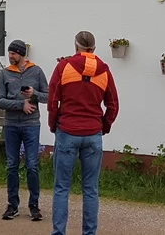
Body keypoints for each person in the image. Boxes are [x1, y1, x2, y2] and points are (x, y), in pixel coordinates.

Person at [47, 30, 119, 235]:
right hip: (93, 133)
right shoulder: (104, 71)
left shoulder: (63, 67)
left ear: (75, 46)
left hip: (67, 130)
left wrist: (54, 125)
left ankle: (59, 232)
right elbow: (113, 104)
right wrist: (104, 126)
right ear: (94, 49)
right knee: (91, 189)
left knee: (62, 187)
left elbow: (53, 102)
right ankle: (89, 232)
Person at [0, 39, 49, 221]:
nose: (10, 56)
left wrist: (33, 94)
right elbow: (0, 101)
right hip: (11, 124)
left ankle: (34, 206)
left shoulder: (37, 71)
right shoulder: (4, 74)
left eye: (14, 53)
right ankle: (12, 205)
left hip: (31, 124)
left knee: (32, 166)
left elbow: (48, 96)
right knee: (12, 165)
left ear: (22, 54)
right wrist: (21, 104)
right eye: (9, 53)